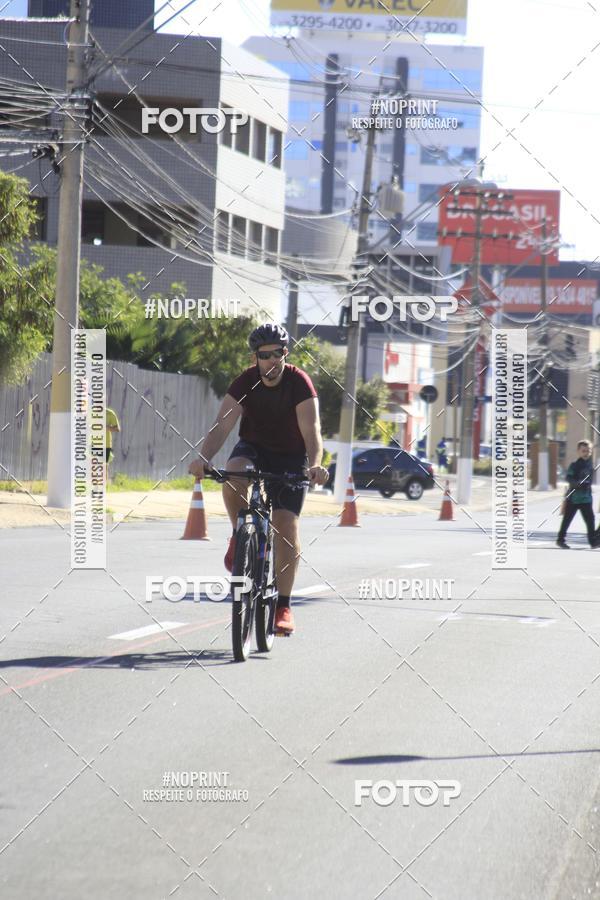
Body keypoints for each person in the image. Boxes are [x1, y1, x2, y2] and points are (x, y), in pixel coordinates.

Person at [188, 323, 329, 634]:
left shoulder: (299, 383)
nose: (271, 361)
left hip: (291, 458)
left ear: (285, 354)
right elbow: (221, 426)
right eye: (264, 355)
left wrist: (315, 465)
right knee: (233, 473)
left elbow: (312, 431)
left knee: (285, 524)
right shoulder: (245, 382)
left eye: (277, 354)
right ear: (255, 358)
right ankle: (240, 534)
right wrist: (204, 459)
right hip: (253, 448)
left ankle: (283, 606)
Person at [557, 439, 596, 549]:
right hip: (573, 498)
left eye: (588, 451)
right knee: (567, 519)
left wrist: (587, 485)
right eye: (583, 451)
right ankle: (560, 540)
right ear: (578, 451)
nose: (586, 453)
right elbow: (568, 477)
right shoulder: (574, 465)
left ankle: (592, 541)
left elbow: (590, 480)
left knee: (590, 520)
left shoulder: (590, 466)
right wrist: (577, 483)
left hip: (586, 499)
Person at [106, 407, 120, 475]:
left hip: (106, 444)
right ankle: (94, 485)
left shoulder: (109, 413)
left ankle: (104, 484)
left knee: (104, 466)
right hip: (93, 443)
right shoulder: (90, 413)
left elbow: (117, 429)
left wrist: (108, 428)